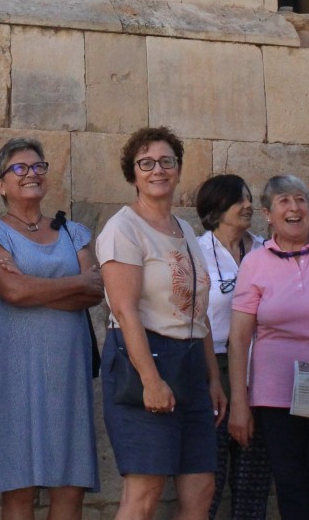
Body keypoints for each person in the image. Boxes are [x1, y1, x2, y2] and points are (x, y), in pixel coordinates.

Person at [0, 137, 102, 519]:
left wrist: (31, 286)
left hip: (66, 372)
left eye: (38, 166)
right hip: (12, 373)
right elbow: (11, 290)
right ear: (0, 183)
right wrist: (70, 282)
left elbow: (94, 291)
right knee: (19, 489)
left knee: (69, 487)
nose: (31, 174)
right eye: (19, 168)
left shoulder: (74, 232)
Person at [96, 126, 227, 520]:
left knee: (201, 485)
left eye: (167, 161)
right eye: (146, 163)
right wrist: (152, 380)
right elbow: (124, 310)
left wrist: (213, 379)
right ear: (132, 173)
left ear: (179, 168)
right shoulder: (123, 228)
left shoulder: (185, 229)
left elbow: (195, 312)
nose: (158, 170)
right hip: (143, 359)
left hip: (190, 363)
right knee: (146, 490)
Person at [227, 175, 309, 520]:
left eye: (300, 199)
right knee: (290, 484)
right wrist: (240, 402)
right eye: (284, 201)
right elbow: (239, 337)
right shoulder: (254, 263)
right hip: (274, 391)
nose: (295, 208)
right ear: (268, 214)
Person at [195, 174, 271, 520]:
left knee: (253, 478)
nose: (248, 205)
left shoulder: (267, 250)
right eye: (239, 199)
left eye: (249, 197)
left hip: (263, 370)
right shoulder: (196, 252)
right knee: (209, 477)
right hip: (214, 368)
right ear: (216, 208)